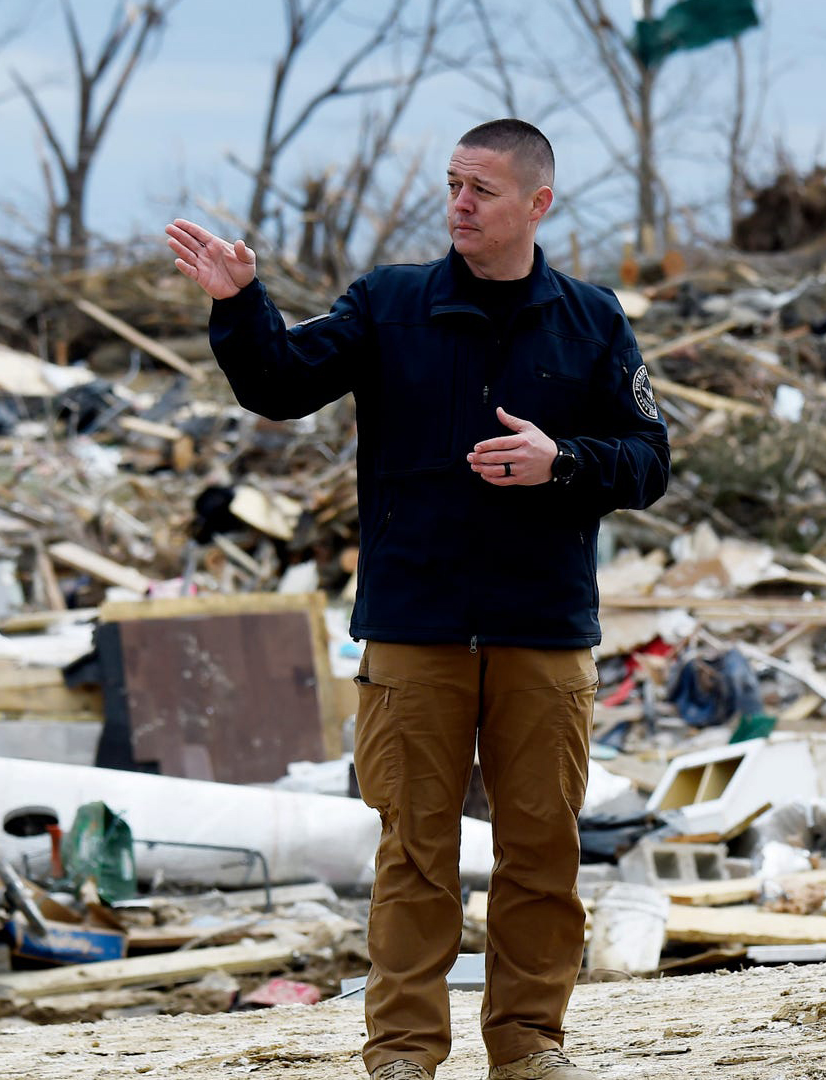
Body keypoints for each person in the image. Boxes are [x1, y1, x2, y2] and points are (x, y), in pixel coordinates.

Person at [167, 119, 670, 1080]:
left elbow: (651, 460)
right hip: (414, 626)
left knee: (541, 850)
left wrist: (563, 461)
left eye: (482, 189)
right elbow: (280, 385)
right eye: (452, 185)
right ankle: (401, 1052)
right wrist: (240, 307)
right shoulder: (389, 305)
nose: (460, 204)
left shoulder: (592, 320)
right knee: (414, 852)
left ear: (538, 203)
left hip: (542, 628)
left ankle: (528, 1045)